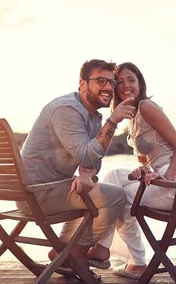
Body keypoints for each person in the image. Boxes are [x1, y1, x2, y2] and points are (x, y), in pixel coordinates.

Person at [18, 59, 136, 269]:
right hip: (35, 194)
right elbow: (88, 155)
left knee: (89, 190)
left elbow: (93, 159)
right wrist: (113, 121)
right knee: (116, 196)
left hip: (55, 188)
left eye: (111, 82)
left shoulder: (92, 117)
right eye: (101, 81)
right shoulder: (67, 110)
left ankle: (63, 249)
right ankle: (75, 252)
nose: (109, 87)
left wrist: (86, 175)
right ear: (82, 84)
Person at [90, 62, 176, 278]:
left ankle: (136, 262)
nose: (126, 85)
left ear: (140, 83)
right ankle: (103, 246)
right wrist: (144, 168)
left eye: (131, 79)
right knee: (113, 177)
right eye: (119, 82)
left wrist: (168, 178)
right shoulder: (132, 116)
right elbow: (151, 157)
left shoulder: (146, 107)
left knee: (119, 197)